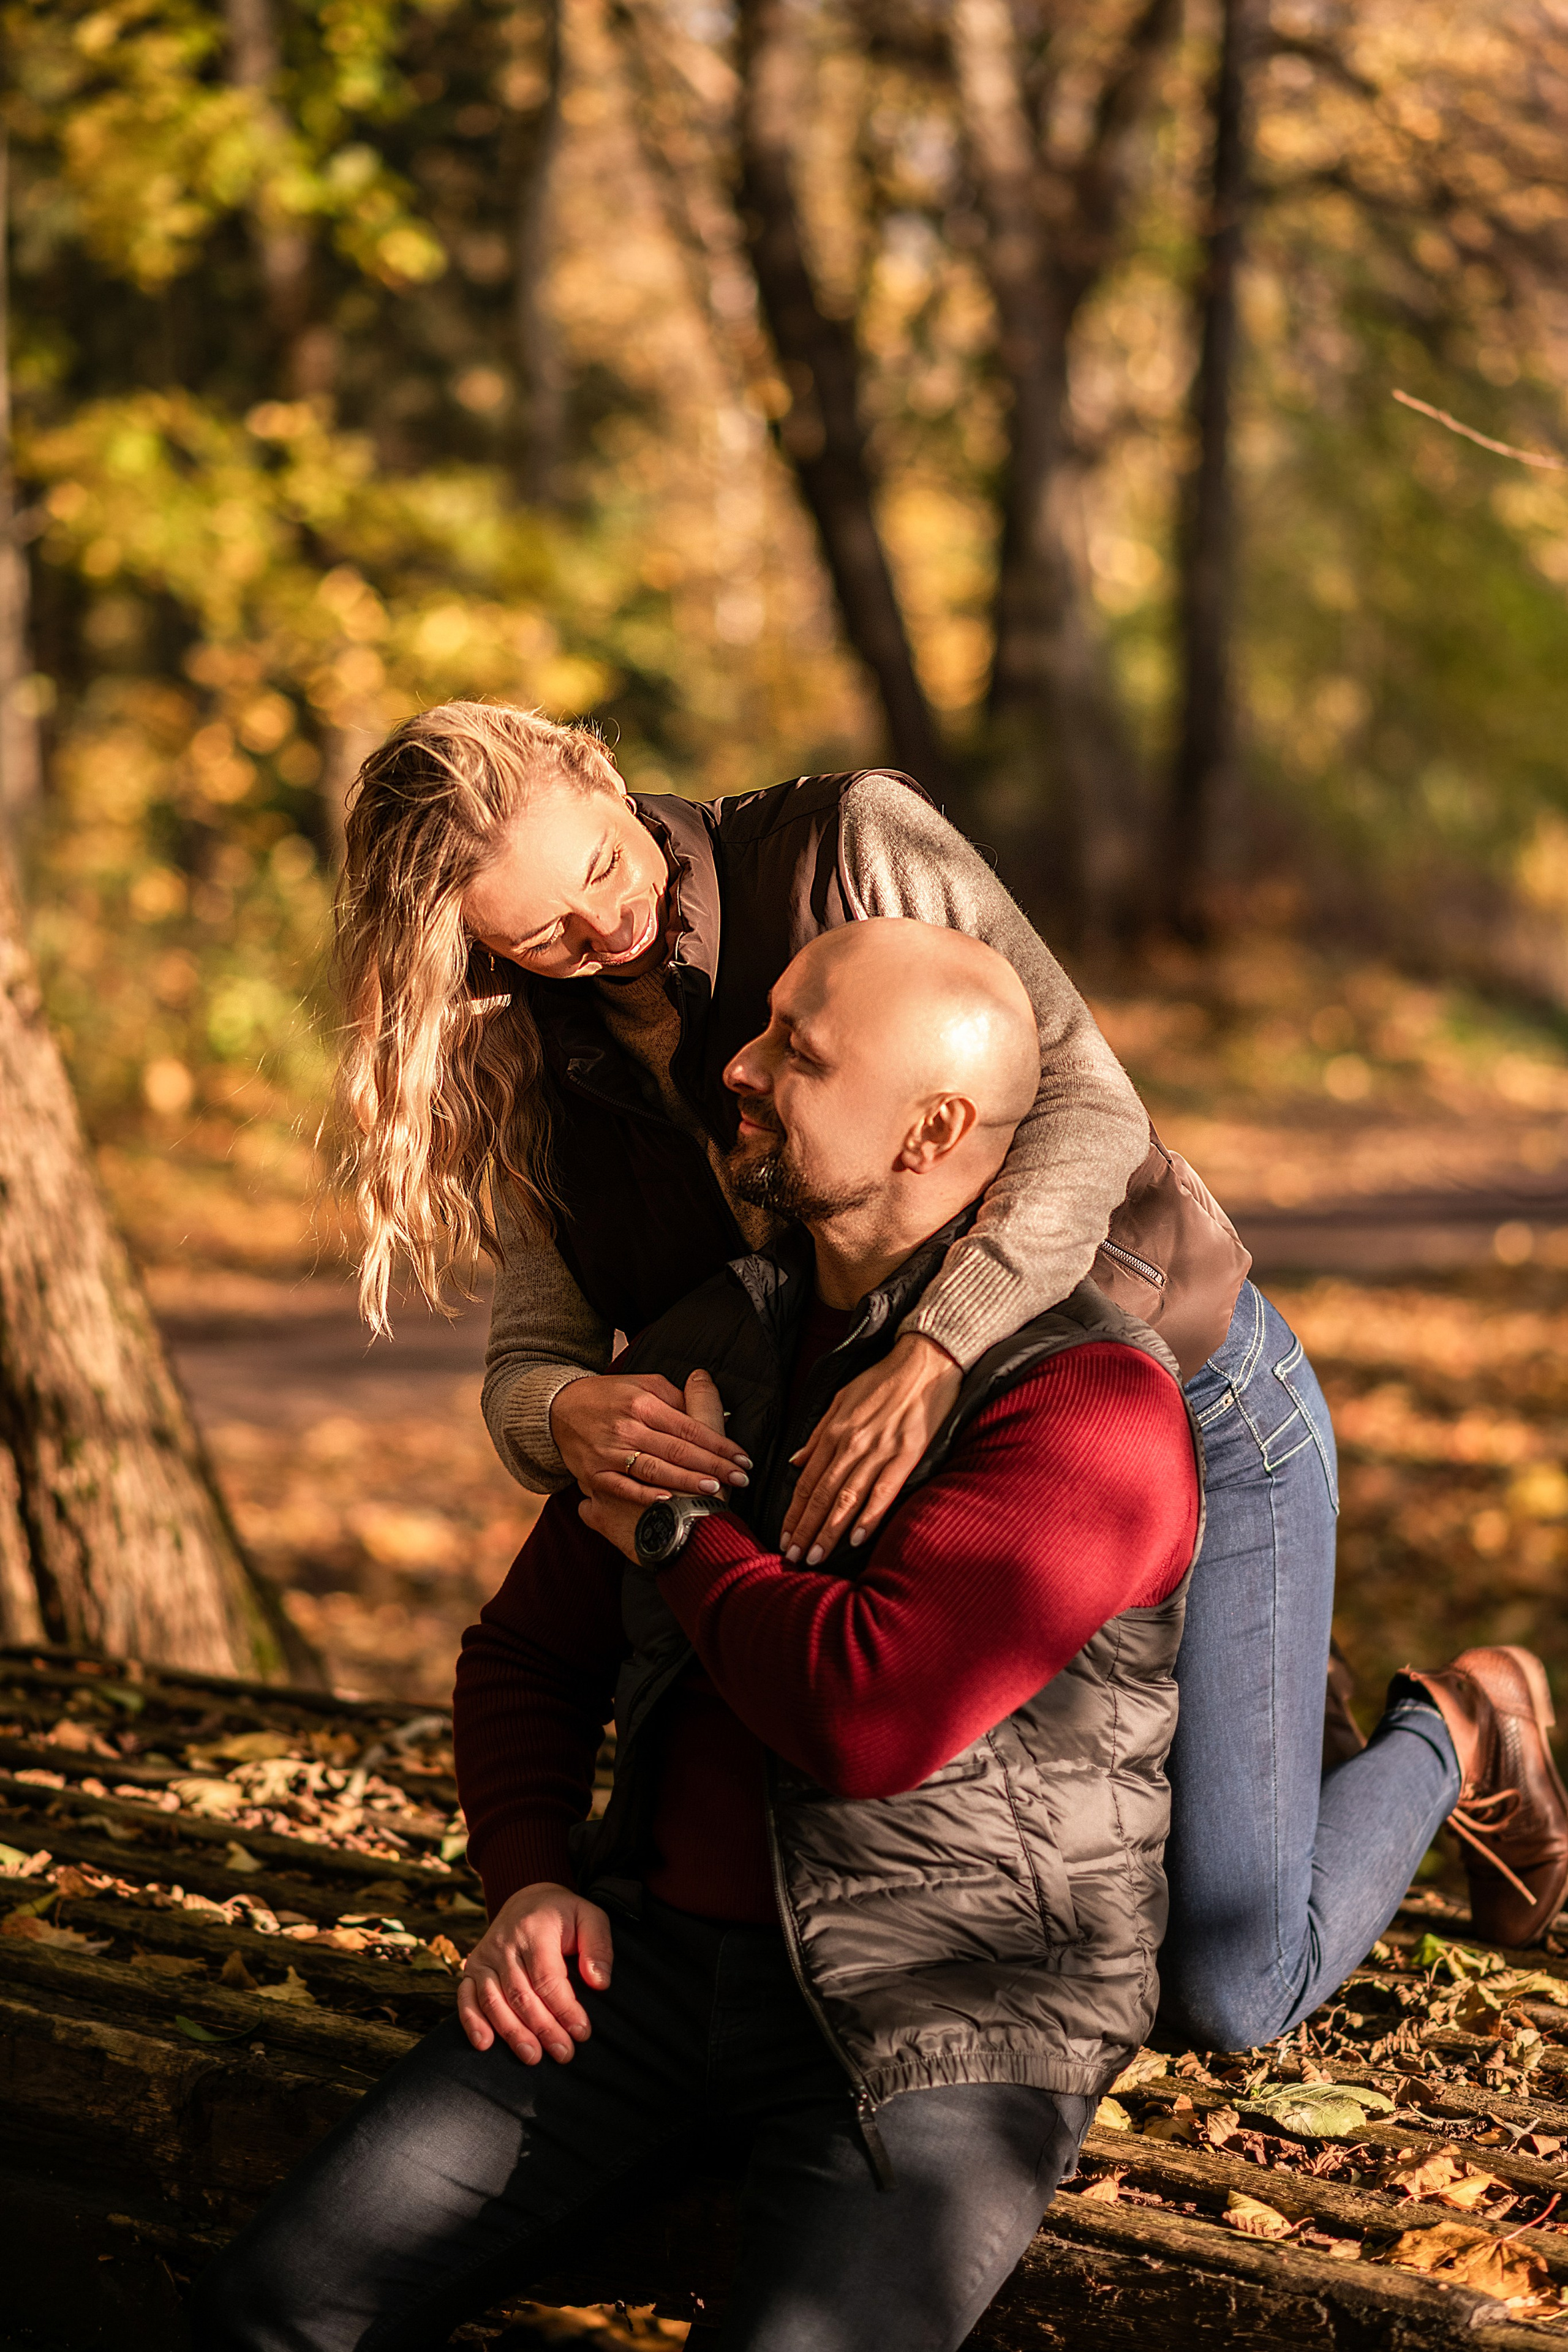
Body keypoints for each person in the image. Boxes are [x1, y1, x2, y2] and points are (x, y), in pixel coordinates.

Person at [335, 703, 1568, 2048]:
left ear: (602, 773)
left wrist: (941, 1340)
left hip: (1176, 1391)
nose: (604, 931)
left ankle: (1457, 1723)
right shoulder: (518, 1051)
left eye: (604, 869)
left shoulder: (847, 847)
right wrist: (559, 1412)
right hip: (948, 1491)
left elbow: (1090, 1102)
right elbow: (534, 1352)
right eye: (542, 934)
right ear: (473, 945)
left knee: (1224, 1983)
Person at [194, 921, 1207, 2352]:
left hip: (938, 2024)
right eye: (766, 1024)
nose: (736, 1064)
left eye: (797, 1049)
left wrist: (674, 1536)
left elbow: (867, 1716)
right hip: (649, 1978)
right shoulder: (721, 1334)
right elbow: (528, 1652)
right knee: (274, 2302)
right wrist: (530, 1880)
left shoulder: (1086, 1408)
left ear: (931, 1128)